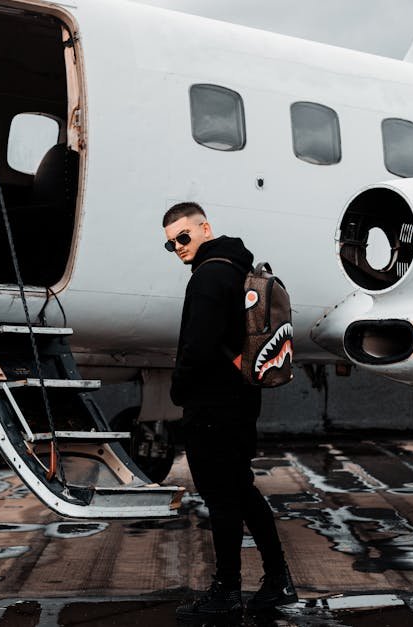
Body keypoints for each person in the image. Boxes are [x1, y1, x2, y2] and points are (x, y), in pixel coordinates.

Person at [161, 202, 297, 619]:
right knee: (241, 491)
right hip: (240, 401)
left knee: (221, 498)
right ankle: (277, 580)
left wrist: (179, 390)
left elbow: (198, 347)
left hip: (211, 406)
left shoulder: (207, 277)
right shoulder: (238, 270)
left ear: (205, 228)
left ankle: (226, 591)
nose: (179, 247)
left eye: (184, 237)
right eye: (170, 244)